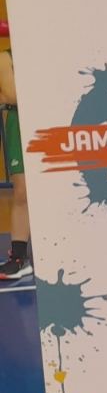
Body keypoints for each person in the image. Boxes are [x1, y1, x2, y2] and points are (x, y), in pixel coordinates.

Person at [0, 47, 30, 282]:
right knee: (22, 191)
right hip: (20, 124)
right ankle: (19, 257)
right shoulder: (5, 57)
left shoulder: (52, 51)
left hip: (54, 119)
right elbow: (11, 95)